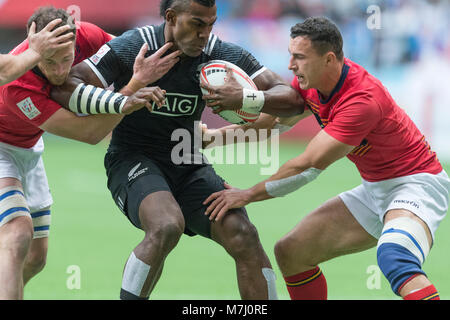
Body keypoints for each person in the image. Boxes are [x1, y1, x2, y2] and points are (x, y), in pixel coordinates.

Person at [51, 0, 303, 300]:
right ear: (171, 17)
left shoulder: (219, 52)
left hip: (188, 162)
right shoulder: (135, 46)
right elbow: (66, 86)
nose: (205, 33)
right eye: (197, 24)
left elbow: (290, 98)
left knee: (243, 234)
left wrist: (246, 97)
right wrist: (126, 95)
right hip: (132, 159)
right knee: (166, 224)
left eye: (211, 24)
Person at [204, 16, 450, 300]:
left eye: (299, 57)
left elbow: (307, 165)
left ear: (329, 59)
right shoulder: (310, 83)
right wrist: (215, 137)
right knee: (292, 252)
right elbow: (272, 124)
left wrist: (246, 194)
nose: (290, 65)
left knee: (395, 257)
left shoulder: (362, 100)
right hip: (376, 189)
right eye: (290, 55)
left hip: (417, 185)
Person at [0, 6, 176, 300]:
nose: (58, 72)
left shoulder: (86, 35)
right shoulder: (18, 87)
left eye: (66, 60)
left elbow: (129, 53)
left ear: (75, 42)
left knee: (35, 259)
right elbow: (89, 133)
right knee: (17, 233)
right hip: (2, 148)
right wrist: (132, 91)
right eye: (49, 62)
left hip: (29, 149)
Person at [0, 19, 75, 86]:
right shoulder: (15, 86)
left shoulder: (79, 30)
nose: (60, 72)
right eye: (49, 61)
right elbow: (3, 72)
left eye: (66, 59)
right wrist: (35, 52)